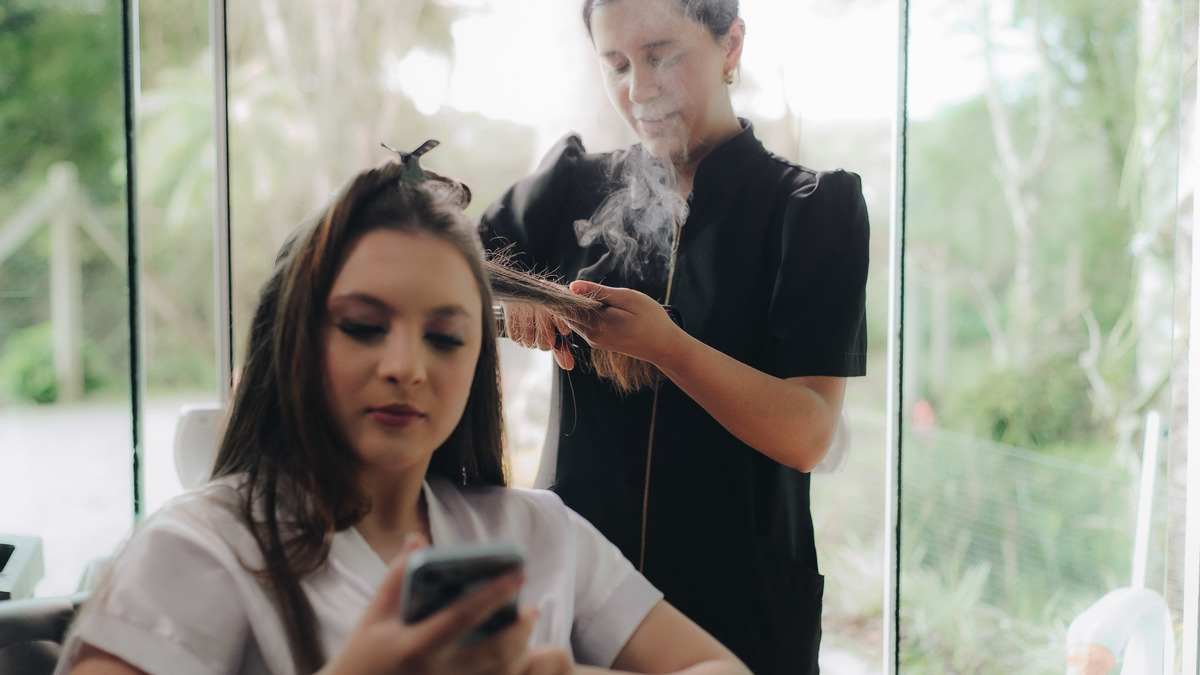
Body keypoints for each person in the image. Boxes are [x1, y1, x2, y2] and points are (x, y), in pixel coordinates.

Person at [54, 145, 751, 675]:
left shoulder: (538, 534)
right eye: (363, 326)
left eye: (445, 337)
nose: (407, 366)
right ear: (292, 338)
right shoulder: (201, 549)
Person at [478, 1, 870, 672]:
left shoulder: (807, 213)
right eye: (616, 65)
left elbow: (808, 432)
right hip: (576, 597)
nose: (639, 89)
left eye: (662, 56)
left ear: (730, 45)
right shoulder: (572, 188)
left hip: (739, 608)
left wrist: (667, 346)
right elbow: (437, 277)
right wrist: (515, 301)